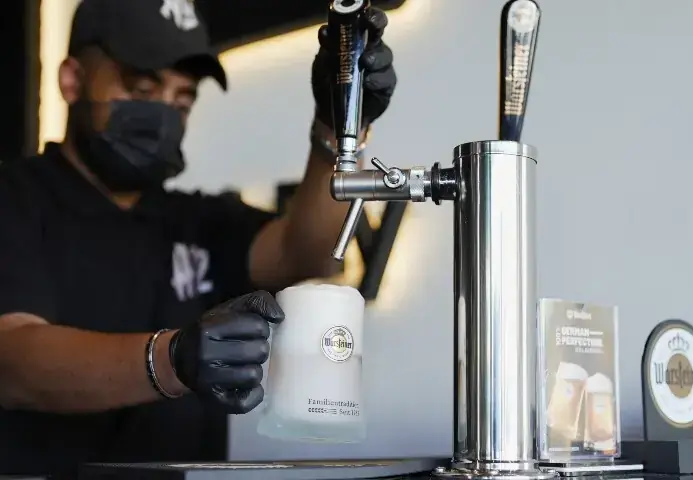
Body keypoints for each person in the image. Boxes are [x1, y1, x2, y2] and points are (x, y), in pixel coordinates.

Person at [0, 0, 396, 476]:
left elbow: (303, 253)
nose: (164, 112)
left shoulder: (198, 219)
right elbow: (12, 362)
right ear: (72, 80)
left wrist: (337, 124)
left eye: (182, 99)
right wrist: (170, 359)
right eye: (141, 87)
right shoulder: (16, 199)